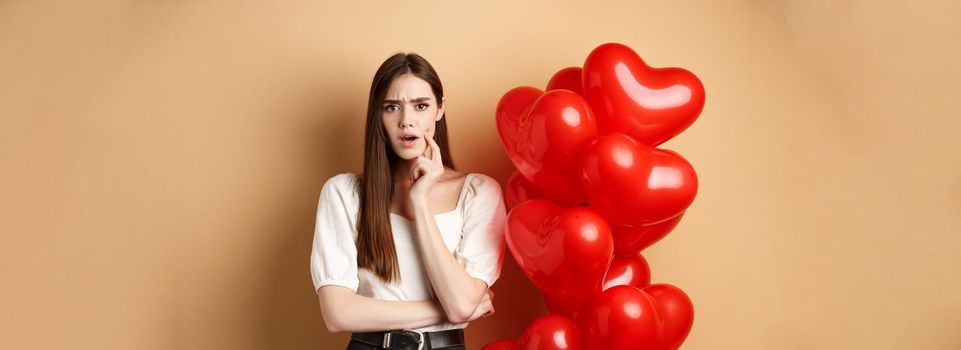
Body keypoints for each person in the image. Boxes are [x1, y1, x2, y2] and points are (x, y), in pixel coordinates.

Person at [310, 52, 508, 350]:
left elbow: (461, 304)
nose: (406, 121)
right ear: (378, 114)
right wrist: (444, 311)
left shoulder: (479, 192)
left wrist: (420, 203)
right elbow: (338, 314)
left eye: (421, 106)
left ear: (440, 109)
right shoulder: (344, 194)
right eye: (392, 107)